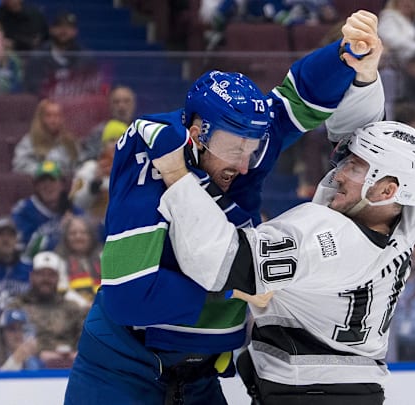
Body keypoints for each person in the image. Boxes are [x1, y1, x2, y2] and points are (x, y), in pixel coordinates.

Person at [64, 10, 385, 405]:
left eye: (253, 150)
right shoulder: (151, 165)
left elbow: (295, 99)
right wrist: (238, 287)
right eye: (236, 150)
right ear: (198, 134)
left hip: (199, 377)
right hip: (121, 372)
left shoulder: (240, 147)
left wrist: (345, 57)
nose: (247, 165)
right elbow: (130, 296)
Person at [154, 120, 415, 402]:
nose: (339, 175)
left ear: (387, 191)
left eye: (355, 167)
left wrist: (177, 176)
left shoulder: (330, 240)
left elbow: (216, 261)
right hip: (349, 391)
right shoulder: (405, 222)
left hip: (308, 394)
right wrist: (364, 82)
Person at [5, 251, 86, 369]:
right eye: (41, 274)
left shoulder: (72, 308)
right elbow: (12, 342)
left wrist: (75, 354)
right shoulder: (17, 307)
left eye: (51, 275)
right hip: (28, 367)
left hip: (69, 366)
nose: (46, 279)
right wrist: (40, 353)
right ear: (31, 276)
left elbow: (84, 339)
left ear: (58, 277)